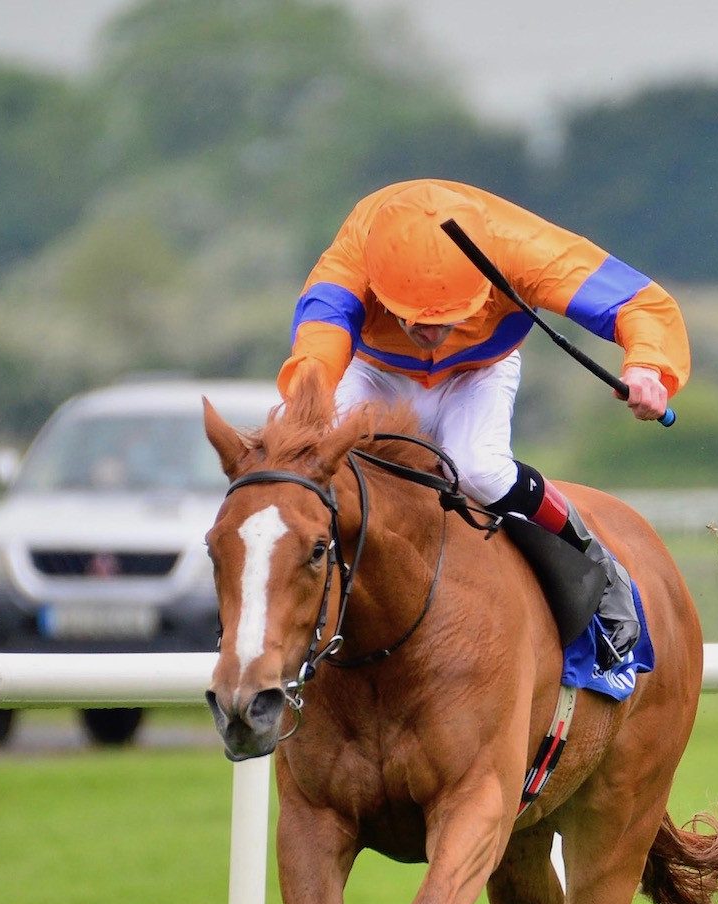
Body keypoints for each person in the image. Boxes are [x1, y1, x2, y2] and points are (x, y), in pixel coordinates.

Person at [280, 179, 689, 668]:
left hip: (478, 371)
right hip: (375, 370)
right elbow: (317, 355)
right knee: (312, 455)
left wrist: (646, 365)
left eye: (448, 316)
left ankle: (596, 564)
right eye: (414, 317)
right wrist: (304, 423)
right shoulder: (351, 260)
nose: (429, 334)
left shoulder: (518, 247)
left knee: (481, 470)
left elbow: (642, 302)